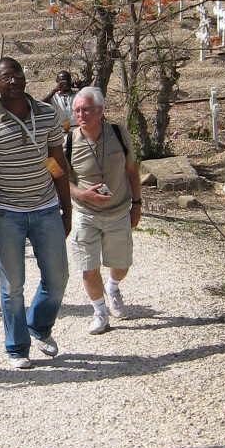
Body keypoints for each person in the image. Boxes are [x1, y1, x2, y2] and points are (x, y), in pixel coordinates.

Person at [0, 57, 71, 369]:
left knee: (58, 278)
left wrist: (66, 207)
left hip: (46, 207)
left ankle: (38, 325)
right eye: (6, 77)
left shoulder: (47, 114)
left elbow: (56, 163)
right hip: (6, 214)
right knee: (12, 286)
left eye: (17, 74)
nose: (13, 80)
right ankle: (17, 347)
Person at [65, 86, 143, 334]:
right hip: (84, 213)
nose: (80, 115)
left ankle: (113, 286)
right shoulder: (68, 141)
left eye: (86, 109)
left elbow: (132, 170)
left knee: (122, 263)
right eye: (77, 110)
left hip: (118, 212)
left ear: (100, 110)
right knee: (88, 267)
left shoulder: (119, 134)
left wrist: (137, 204)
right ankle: (100, 312)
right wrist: (81, 194)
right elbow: (60, 177)